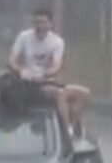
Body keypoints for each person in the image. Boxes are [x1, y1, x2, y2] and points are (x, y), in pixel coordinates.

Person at [8, 8, 91, 137]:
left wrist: (44, 74)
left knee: (84, 93)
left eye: (43, 22)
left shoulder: (57, 41)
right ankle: (66, 130)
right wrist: (21, 71)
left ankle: (74, 124)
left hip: (47, 80)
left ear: (50, 24)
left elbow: (56, 66)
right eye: (37, 22)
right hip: (27, 82)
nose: (39, 26)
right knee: (60, 95)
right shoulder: (24, 37)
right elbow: (12, 59)